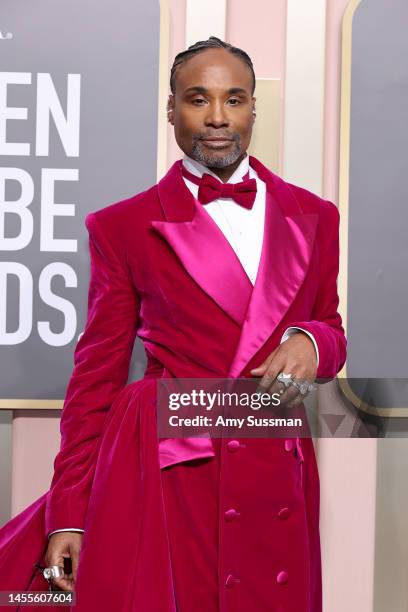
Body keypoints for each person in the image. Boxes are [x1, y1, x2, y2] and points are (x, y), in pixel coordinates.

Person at [0, 37, 346, 611]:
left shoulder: (315, 216)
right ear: (170, 109)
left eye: (234, 99)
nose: (216, 117)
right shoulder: (124, 226)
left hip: (271, 453)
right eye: (197, 99)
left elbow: (330, 325)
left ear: (254, 108)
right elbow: (95, 381)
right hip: (168, 462)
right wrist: (69, 515)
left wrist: (313, 342)